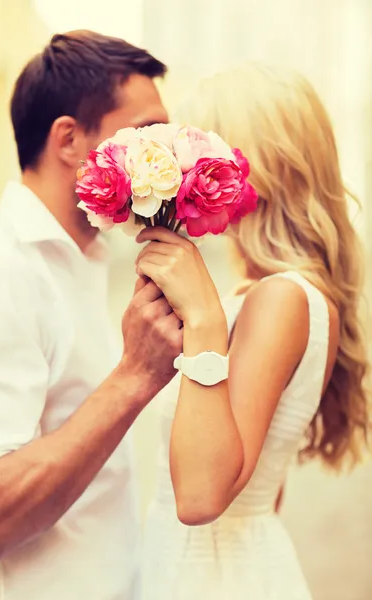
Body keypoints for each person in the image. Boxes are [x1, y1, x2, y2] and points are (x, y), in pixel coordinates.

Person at [0, 30, 182, 600]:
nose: (167, 160)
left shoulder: (85, 259)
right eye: (146, 136)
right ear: (69, 140)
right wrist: (135, 376)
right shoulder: (0, 271)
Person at [137, 63, 369, 600]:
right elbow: (264, 487)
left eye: (196, 157)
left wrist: (203, 320)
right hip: (219, 566)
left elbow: (197, 497)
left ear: (253, 169)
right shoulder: (268, 295)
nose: (178, 174)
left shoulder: (283, 298)